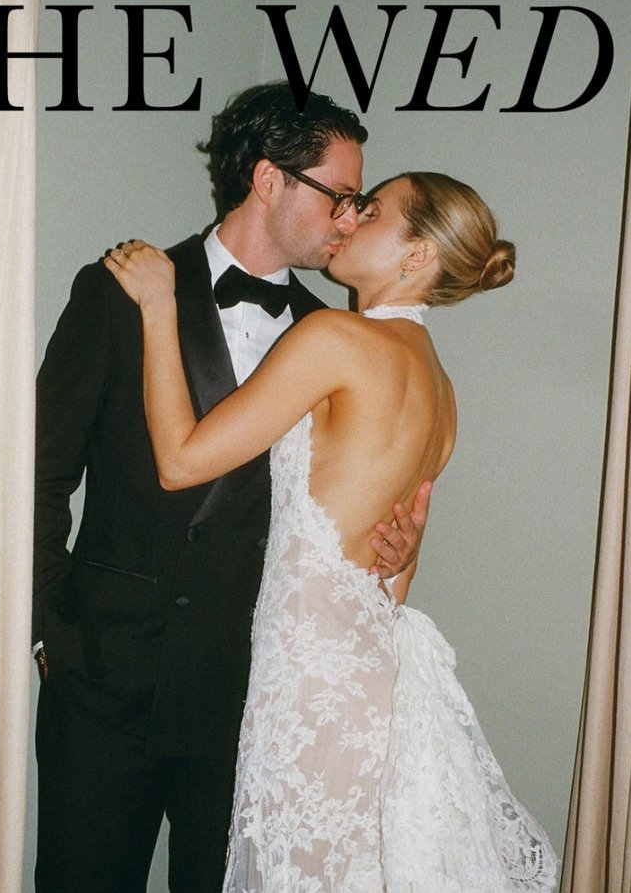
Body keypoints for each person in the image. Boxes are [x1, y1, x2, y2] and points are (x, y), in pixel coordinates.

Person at [105, 171, 558, 892]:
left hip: (309, 675)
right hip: (371, 673)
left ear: (416, 256)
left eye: (373, 211)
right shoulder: (440, 387)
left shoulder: (334, 337)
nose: (348, 219)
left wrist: (160, 306)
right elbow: (396, 569)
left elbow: (181, 461)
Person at [33, 83, 431, 893]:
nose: (349, 219)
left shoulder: (336, 335)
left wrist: (395, 541)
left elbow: (344, 498)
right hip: (106, 678)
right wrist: (54, 631)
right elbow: (39, 473)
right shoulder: (122, 289)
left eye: (360, 204)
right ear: (268, 180)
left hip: (250, 694)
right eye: (340, 196)